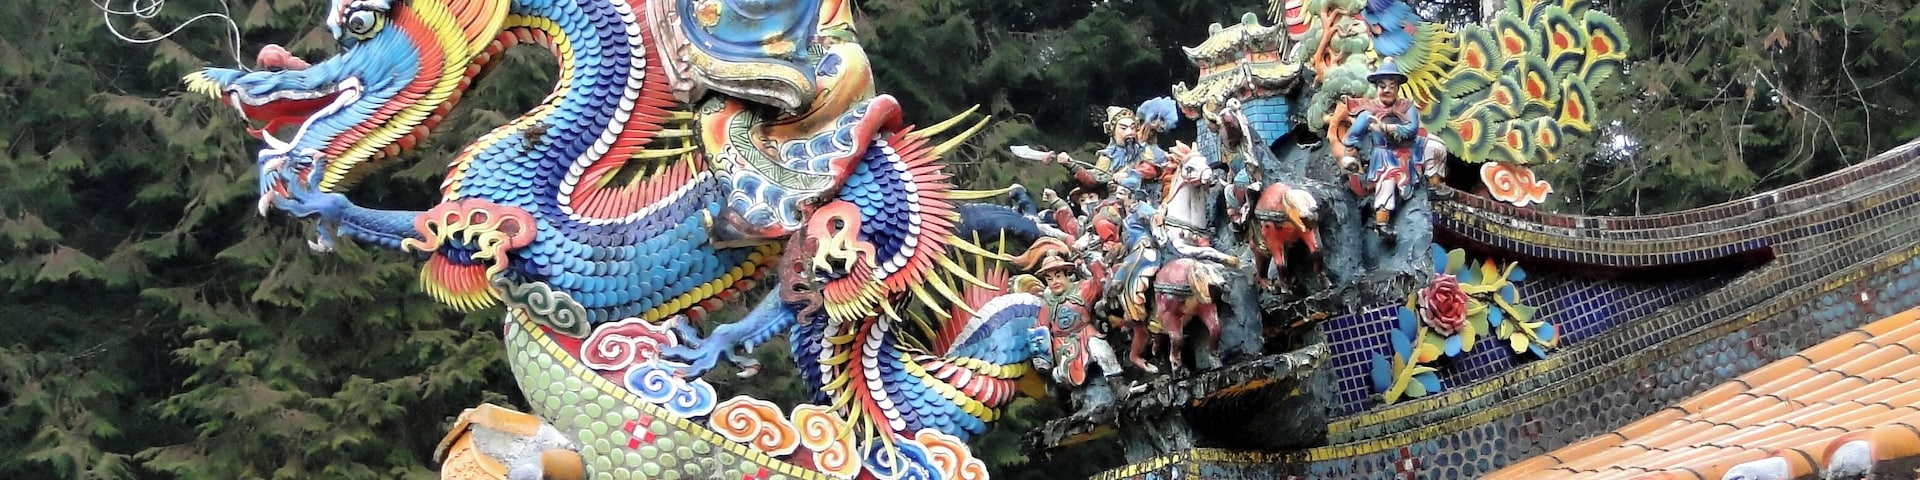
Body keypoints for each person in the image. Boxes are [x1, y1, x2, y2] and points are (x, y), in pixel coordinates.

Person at [1341, 57, 1425, 236]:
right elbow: (1352, 135)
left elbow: (1412, 129)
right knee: (1386, 181)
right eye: (1382, 86)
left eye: (1391, 86)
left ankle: (1436, 184)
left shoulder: (1406, 107)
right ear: (1377, 87)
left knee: (1434, 148)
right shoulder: (1369, 112)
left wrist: (1387, 127)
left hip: (1408, 153)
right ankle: (1382, 222)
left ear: (1397, 88)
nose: (1386, 90)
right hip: (1384, 156)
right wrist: (1350, 153)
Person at [1032, 254, 1125, 391]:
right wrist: (1041, 356)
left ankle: (1119, 386)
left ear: (1066, 275)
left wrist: (1093, 265)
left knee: (1102, 351)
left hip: (1087, 333)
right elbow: (1040, 330)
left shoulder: (1082, 289)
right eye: (1050, 279)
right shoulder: (1048, 304)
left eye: (1058, 276)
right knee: (1063, 374)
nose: (1055, 282)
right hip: (1063, 343)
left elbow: (1099, 284)